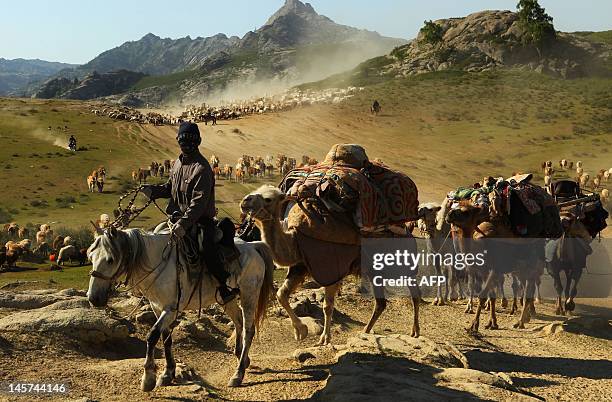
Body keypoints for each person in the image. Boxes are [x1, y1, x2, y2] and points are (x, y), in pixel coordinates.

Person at [142, 121, 238, 304]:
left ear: (198, 141)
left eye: (191, 140)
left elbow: (198, 204)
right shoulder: (177, 163)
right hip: (176, 219)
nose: (187, 143)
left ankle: (223, 285)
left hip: (200, 221)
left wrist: (184, 225)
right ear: (178, 140)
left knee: (205, 247)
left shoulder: (202, 169)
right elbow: (169, 188)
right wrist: (153, 191)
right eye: (183, 139)